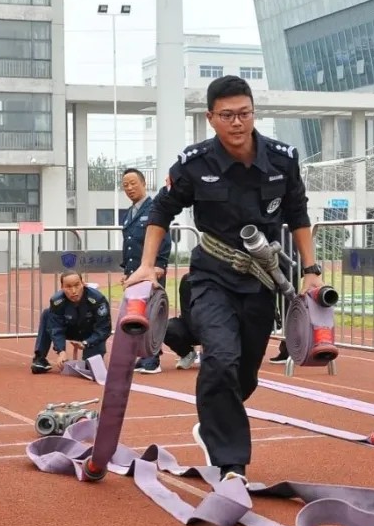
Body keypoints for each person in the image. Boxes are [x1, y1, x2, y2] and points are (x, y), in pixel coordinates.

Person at [125, 75, 323, 485]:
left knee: (244, 375)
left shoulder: (283, 159)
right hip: (212, 276)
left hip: (262, 280)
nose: (237, 122)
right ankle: (232, 465)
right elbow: (161, 211)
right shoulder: (194, 163)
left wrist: (311, 271)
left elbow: (298, 214)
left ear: (253, 113)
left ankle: (213, 421)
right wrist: (147, 265)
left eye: (244, 113)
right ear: (211, 118)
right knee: (220, 358)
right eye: (227, 115)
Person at [119, 168, 171, 374]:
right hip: (135, 272)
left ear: (143, 183)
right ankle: (143, 355)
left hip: (151, 270)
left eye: (133, 183)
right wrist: (126, 270)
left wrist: (160, 264)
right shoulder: (129, 213)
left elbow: (164, 239)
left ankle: (153, 358)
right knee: (137, 314)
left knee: (151, 312)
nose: (129, 188)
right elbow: (128, 243)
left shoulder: (154, 209)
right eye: (125, 185)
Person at [30, 271, 113, 374]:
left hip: (90, 333)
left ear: (83, 284)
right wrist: (61, 351)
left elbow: (103, 328)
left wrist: (87, 343)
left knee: (90, 368)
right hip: (70, 329)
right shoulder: (57, 301)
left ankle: (91, 356)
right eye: (68, 287)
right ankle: (40, 358)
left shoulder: (97, 299)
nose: (73, 291)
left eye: (77, 285)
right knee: (47, 314)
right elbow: (55, 328)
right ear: (62, 287)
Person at [163, 272, 200, 370]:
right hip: (195, 326)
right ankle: (187, 353)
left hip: (218, 326)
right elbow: (186, 311)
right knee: (168, 328)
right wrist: (200, 333)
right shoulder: (188, 280)